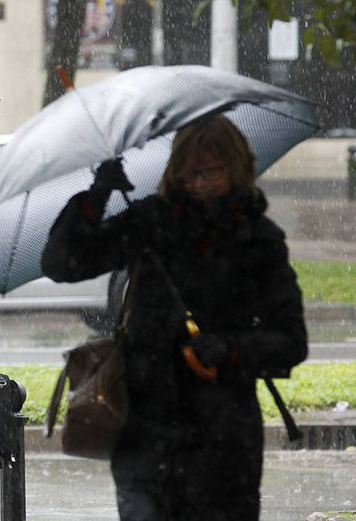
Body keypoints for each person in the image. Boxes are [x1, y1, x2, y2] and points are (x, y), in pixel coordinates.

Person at [41, 115, 307, 521]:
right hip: (145, 438)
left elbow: (291, 341)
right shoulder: (151, 223)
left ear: (235, 168)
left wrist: (229, 350)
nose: (198, 183)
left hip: (224, 444)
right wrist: (95, 198)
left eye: (210, 172)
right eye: (187, 173)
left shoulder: (259, 240)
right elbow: (62, 263)